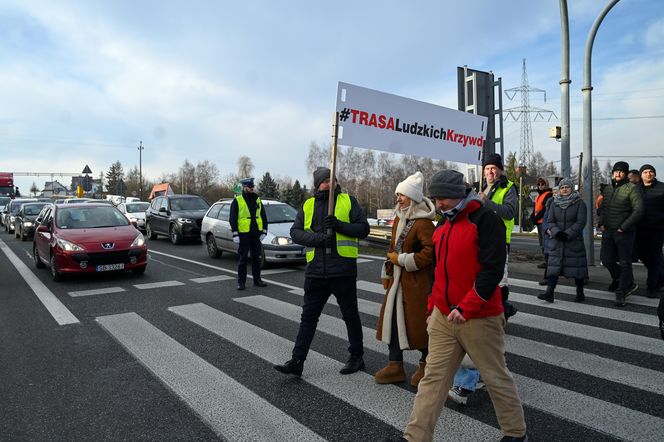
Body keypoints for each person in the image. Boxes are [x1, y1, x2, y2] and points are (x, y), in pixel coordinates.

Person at [397, 169, 527, 442]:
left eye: (442, 197)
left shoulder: (485, 220)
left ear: (459, 193)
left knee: (495, 377)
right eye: (435, 197)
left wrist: (466, 307)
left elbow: (492, 271)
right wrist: (434, 305)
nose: (439, 202)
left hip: (479, 317)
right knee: (433, 379)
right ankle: (415, 437)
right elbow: (440, 271)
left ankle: (515, 434)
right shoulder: (443, 225)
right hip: (445, 316)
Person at [274, 167, 369, 377]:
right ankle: (297, 361)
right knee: (308, 318)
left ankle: (357, 357)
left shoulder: (348, 201)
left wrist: (340, 226)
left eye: (331, 179)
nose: (329, 183)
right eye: (324, 181)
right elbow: (295, 232)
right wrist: (317, 239)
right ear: (317, 185)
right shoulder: (308, 204)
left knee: (350, 316)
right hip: (316, 272)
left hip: (342, 270)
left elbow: (363, 229)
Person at [375, 172, 435, 387]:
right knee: (392, 323)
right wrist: (387, 271)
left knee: (419, 326)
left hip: (417, 284)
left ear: (413, 197)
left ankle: (426, 365)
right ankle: (395, 365)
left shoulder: (424, 222)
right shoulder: (400, 219)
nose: (398, 198)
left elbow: (430, 253)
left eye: (402, 195)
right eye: (397, 194)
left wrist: (402, 260)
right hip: (398, 283)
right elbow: (392, 249)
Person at [598, 161, 644, 307]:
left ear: (625, 173)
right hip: (608, 231)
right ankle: (627, 281)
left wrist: (623, 227)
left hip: (624, 232)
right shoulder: (608, 189)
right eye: (616, 171)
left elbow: (639, 210)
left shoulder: (632, 189)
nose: (618, 174)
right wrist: (601, 223)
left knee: (625, 262)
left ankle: (622, 291)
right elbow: (603, 208)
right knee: (606, 260)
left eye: (621, 171)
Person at [478, 152, 517, 318]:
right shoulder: (480, 187)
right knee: (483, 276)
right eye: (487, 168)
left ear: (500, 170)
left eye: (493, 168)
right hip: (482, 239)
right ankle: (489, 311)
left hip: (500, 239)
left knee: (500, 279)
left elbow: (509, 212)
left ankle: (504, 313)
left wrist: (488, 202)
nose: (490, 172)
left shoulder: (508, 187)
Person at [537, 178, 588, 303]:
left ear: (571, 189)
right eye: (562, 187)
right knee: (553, 269)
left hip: (573, 241)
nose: (564, 189)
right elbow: (549, 220)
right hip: (557, 240)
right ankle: (549, 293)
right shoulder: (554, 203)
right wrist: (557, 233)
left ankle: (580, 292)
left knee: (577, 268)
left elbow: (581, 222)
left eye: (567, 187)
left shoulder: (579, 203)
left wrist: (568, 234)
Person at [229, 177, 268, 290]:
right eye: (249, 187)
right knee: (243, 258)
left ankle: (257, 280)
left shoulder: (257, 199)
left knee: (257, 258)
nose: (251, 189)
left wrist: (264, 230)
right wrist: (235, 233)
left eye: (252, 187)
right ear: (244, 187)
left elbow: (263, 215)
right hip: (244, 234)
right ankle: (241, 282)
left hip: (256, 233)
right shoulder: (237, 200)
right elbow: (233, 218)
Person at [635, 165, 664, 298]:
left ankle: (652, 287)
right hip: (639, 229)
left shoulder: (662, 188)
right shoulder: (636, 189)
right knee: (642, 255)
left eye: (651, 172)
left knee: (654, 258)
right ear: (641, 175)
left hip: (657, 229)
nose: (648, 174)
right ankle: (660, 278)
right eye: (645, 172)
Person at [531, 177, 553, 268]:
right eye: (539, 184)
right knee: (542, 242)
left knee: (546, 243)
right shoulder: (539, 195)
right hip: (539, 221)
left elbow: (544, 209)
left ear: (546, 185)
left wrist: (535, 218)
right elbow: (536, 208)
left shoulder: (548, 195)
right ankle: (546, 261)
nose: (540, 186)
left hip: (545, 222)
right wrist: (532, 217)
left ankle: (548, 261)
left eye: (542, 184)